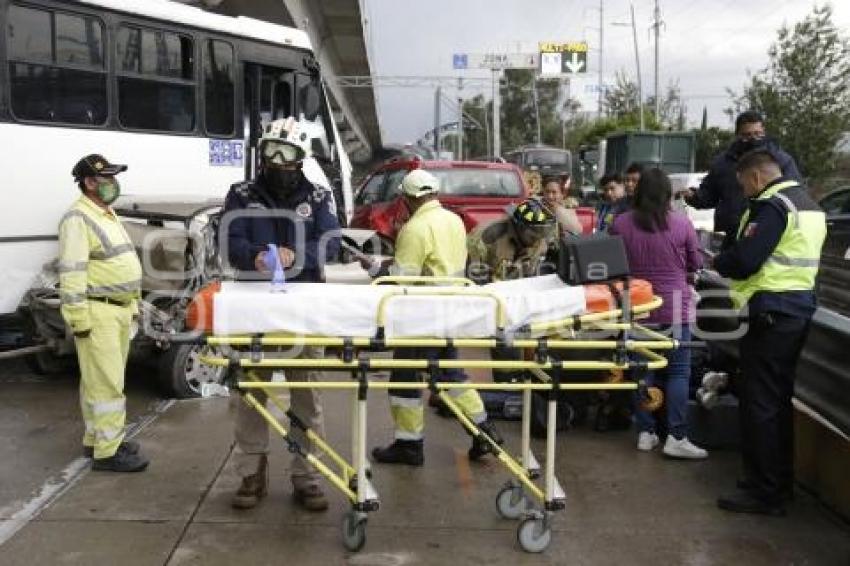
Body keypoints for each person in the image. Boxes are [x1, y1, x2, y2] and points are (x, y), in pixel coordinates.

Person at [221, 117, 340, 512]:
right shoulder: (241, 193)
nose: (276, 160)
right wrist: (253, 255)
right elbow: (229, 239)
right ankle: (251, 473)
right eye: (270, 150)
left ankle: (307, 476)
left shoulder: (320, 197)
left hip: (303, 310)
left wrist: (297, 257)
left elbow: (331, 243)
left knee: (307, 395)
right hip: (254, 308)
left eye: (286, 153)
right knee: (250, 395)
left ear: (301, 157)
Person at [362, 169, 503, 465]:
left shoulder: (415, 228)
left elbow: (402, 280)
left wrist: (375, 269)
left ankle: (411, 445)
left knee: (406, 380)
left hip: (422, 315)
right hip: (448, 309)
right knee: (450, 375)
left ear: (408, 198)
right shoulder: (453, 221)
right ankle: (483, 430)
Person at [713, 150, 825, 516]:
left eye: (743, 183)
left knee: (760, 403)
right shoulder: (808, 204)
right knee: (777, 402)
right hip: (796, 309)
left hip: (771, 312)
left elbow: (746, 261)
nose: (742, 190)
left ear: (756, 177)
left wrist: (718, 261)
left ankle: (765, 492)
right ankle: (777, 483)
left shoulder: (774, 206)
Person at [59, 154, 149, 472]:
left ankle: (98, 438)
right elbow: (72, 274)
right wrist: (79, 319)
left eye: (113, 177)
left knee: (98, 381)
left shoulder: (105, 213)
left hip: (118, 311)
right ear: (89, 183)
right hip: (99, 313)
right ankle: (108, 452)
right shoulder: (78, 218)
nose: (113, 183)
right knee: (108, 384)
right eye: (106, 178)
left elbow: (120, 263)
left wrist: (134, 306)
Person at [610, 168, 708, 459]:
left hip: (638, 309)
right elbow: (695, 263)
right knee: (678, 372)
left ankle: (646, 431)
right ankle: (676, 436)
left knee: (643, 372)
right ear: (667, 195)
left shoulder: (621, 224)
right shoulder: (682, 224)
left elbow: (612, 265)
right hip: (675, 308)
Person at [681, 110, 802, 251]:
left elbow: (794, 194)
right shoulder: (724, 163)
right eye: (747, 135)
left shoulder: (781, 160)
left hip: (769, 232)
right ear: (738, 135)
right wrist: (693, 196)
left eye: (758, 134)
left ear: (764, 131)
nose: (753, 139)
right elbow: (709, 195)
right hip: (733, 234)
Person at [467, 198, 555, 383]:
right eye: (533, 234)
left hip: (522, 295)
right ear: (518, 227)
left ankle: (527, 383)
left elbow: (535, 269)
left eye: (541, 233)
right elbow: (477, 282)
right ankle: (507, 386)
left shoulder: (537, 237)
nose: (537, 239)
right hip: (493, 296)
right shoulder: (486, 238)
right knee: (506, 345)